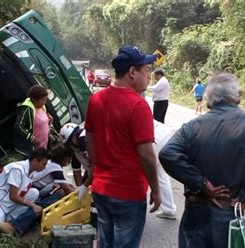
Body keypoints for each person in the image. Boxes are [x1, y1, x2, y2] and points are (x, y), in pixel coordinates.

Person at [159, 72, 245, 248]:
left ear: (209, 100)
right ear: (237, 97)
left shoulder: (193, 126)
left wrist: (201, 184)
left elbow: (167, 153)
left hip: (195, 210)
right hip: (230, 210)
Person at [84, 45, 161, 248]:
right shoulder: (138, 105)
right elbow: (146, 155)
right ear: (132, 72)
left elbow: (89, 137)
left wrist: (95, 168)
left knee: (106, 243)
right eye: (146, 70)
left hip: (101, 189)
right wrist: (155, 189)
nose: (149, 76)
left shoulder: (96, 99)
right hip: (128, 191)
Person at [0, 148, 50, 235]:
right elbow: (13, 196)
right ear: (35, 161)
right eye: (43, 164)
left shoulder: (31, 171)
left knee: (34, 193)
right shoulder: (17, 169)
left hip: (7, 201)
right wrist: (33, 205)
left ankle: (10, 219)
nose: (44, 167)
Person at [13, 85, 52, 159]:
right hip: (33, 148)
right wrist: (32, 138)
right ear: (35, 99)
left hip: (44, 146)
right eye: (43, 100)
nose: (45, 102)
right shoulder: (26, 109)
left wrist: (49, 121)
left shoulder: (42, 106)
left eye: (46, 99)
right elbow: (19, 126)